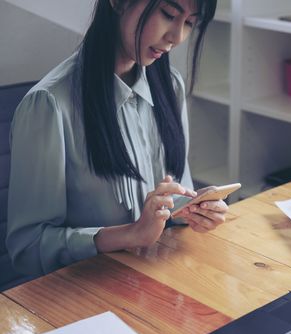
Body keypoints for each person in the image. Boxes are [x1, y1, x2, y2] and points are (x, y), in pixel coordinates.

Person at [6, 0, 225, 277]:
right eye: (168, 14)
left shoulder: (170, 85)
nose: (177, 37)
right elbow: (28, 249)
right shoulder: (49, 104)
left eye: (190, 23)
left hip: (156, 279)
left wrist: (195, 210)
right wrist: (131, 234)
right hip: (85, 291)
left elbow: (176, 199)